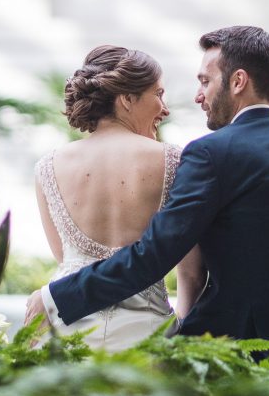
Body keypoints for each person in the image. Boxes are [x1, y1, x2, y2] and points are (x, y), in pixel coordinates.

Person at [26, 26, 269, 367]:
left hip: (252, 359)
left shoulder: (211, 154)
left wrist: (58, 296)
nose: (197, 96)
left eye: (205, 81)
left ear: (238, 82)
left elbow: (154, 254)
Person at [32, 44, 207, 351]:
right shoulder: (175, 161)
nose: (165, 109)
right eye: (159, 93)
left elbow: (65, 260)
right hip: (147, 335)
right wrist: (185, 331)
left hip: (67, 331)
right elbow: (191, 272)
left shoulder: (47, 167)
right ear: (127, 99)